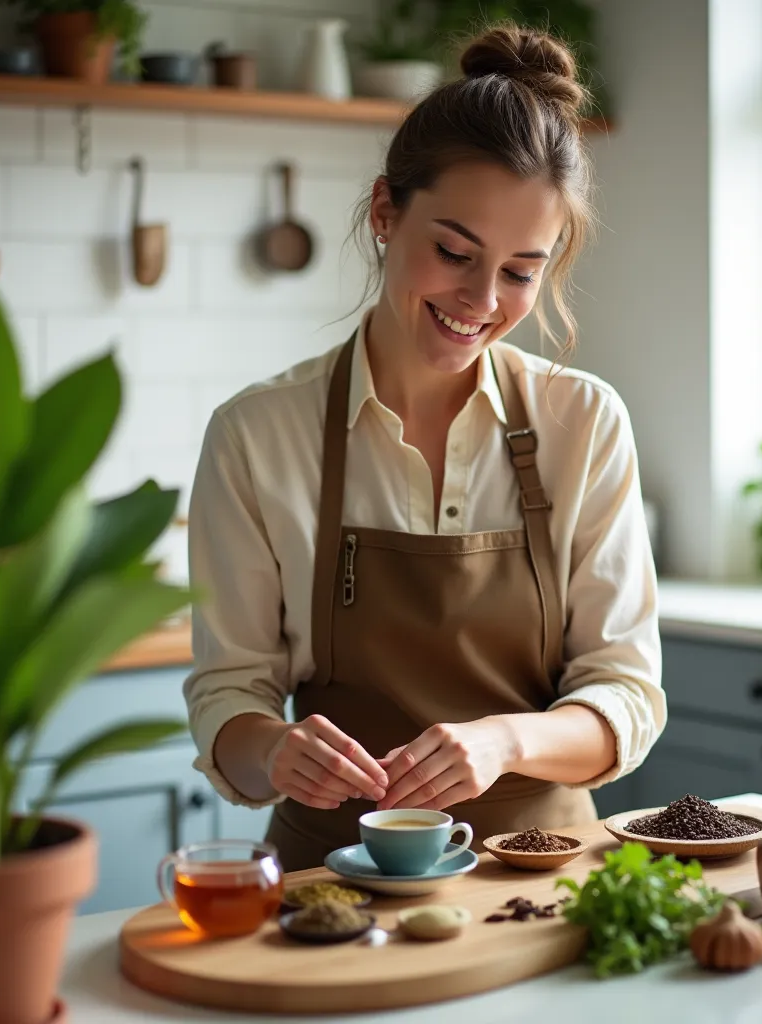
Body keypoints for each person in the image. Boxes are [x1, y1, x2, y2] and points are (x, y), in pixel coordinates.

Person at [184, 23, 665, 871]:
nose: (481, 299)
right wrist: (275, 751)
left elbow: (626, 695)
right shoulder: (258, 435)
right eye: (454, 252)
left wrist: (504, 743)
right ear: (383, 212)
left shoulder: (583, 421)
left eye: (521, 271)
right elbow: (230, 695)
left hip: (542, 872)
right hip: (327, 883)